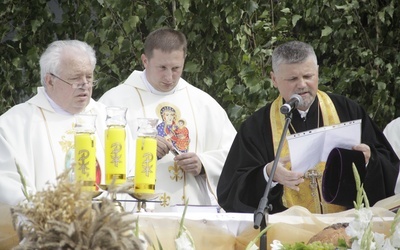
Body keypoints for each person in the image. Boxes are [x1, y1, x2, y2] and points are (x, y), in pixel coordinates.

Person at [217, 41, 400, 214]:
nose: (302, 85)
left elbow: (389, 164)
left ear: (317, 72)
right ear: (274, 79)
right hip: (287, 234)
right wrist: (269, 175)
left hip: (346, 228)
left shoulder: (347, 110)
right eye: (292, 78)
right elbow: (230, 189)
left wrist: (369, 159)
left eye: (308, 76)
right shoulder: (257, 127)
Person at [99, 27, 236, 211]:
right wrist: (141, 150)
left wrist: (203, 164)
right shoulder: (114, 102)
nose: (169, 77)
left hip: (191, 213)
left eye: (176, 68)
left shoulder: (203, 103)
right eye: (162, 68)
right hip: (134, 216)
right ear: (145, 60)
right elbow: (97, 156)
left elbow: (235, 155)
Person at [0, 40, 133, 206]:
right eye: (75, 79)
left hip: (107, 227)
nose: (85, 85)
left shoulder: (111, 121)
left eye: (89, 77)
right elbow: (9, 188)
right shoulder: (14, 125)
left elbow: (130, 176)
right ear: (50, 81)